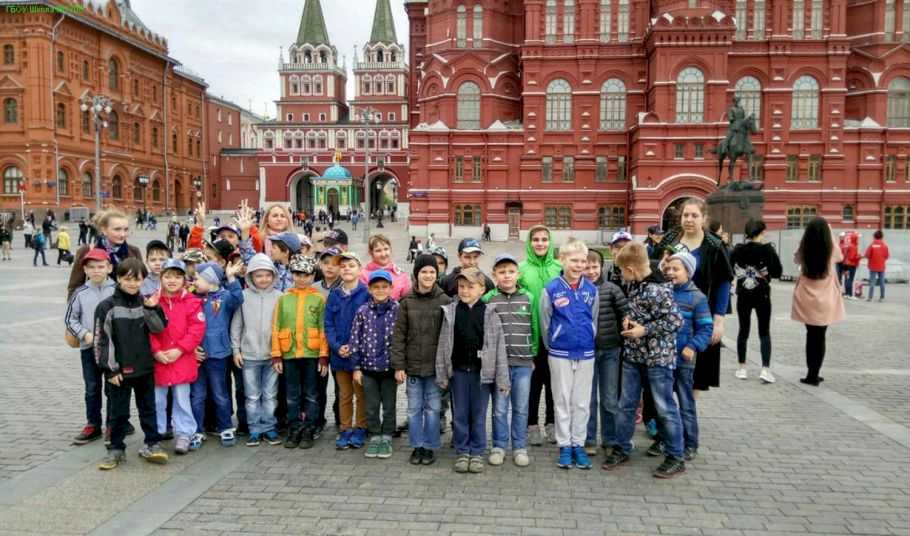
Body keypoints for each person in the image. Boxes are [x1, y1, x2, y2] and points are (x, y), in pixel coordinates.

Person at [603, 242, 685, 479]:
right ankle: (622, 447)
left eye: (621, 271)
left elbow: (675, 321)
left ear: (630, 268)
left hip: (657, 359)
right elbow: (640, 312)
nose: (620, 275)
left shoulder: (658, 290)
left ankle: (675, 455)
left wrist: (644, 330)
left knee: (665, 407)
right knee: (626, 404)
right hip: (634, 356)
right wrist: (629, 322)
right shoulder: (639, 286)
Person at [653, 198, 733, 394]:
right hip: (668, 311)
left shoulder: (713, 245)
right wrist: (660, 265)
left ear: (703, 218)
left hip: (700, 313)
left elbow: (723, 282)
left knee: (699, 369)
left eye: (694, 215)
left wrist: (719, 320)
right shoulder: (670, 239)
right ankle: (666, 412)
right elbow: (653, 269)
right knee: (663, 364)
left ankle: (688, 410)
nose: (689, 219)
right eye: (685, 215)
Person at [94, 258, 169, 470]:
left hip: (145, 367)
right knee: (118, 412)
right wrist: (110, 370)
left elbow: (159, 328)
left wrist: (153, 309)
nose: (132, 283)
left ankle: (152, 444)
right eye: (127, 279)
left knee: (148, 409)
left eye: (137, 279)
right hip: (119, 371)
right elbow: (102, 341)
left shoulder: (145, 302)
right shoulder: (106, 307)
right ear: (117, 278)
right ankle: (115, 449)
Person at [435, 267, 508, 474]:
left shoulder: (489, 312)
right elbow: (443, 344)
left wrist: (502, 380)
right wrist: (442, 373)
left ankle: (476, 451)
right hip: (458, 371)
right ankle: (462, 450)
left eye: (470, 287)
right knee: (460, 413)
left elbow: (498, 347)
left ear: (482, 289)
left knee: (478, 413)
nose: (465, 291)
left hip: (481, 374)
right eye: (461, 286)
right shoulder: (451, 311)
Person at [538, 238, 599, 470]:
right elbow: (545, 321)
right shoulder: (551, 289)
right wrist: (553, 342)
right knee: (562, 400)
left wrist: (587, 338)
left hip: (585, 352)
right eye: (574, 260)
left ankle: (578, 444)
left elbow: (592, 319)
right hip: (559, 352)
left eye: (583, 261)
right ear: (562, 260)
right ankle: (564, 445)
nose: (579, 265)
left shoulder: (591, 290)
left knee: (581, 402)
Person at [392, 254, 452, 466]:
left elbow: (449, 338)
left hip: (435, 368)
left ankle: (430, 445)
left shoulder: (445, 301)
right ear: (416, 274)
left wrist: (446, 367)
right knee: (414, 409)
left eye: (432, 272)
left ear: (437, 275)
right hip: (414, 367)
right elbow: (398, 336)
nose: (428, 275)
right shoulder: (407, 301)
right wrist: (399, 365)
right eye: (423, 272)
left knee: (434, 408)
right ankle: (417, 445)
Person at [482, 254, 537, 467]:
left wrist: (532, 354)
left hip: (523, 363)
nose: (507, 276)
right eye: (502, 272)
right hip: (499, 367)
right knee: (500, 408)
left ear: (518, 274)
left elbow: (534, 328)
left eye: (511, 271)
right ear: (494, 275)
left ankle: (520, 446)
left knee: (521, 407)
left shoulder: (528, 298)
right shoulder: (489, 300)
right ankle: (498, 445)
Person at [270, 254, 329, 449]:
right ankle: (294, 427)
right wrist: (277, 354)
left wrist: (323, 356)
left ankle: (309, 427)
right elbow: (276, 327)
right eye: (297, 274)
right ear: (292, 275)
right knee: (292, 394)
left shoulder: (319, 299)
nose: (301, 278)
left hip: (312, 354)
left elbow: (323, 328)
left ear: (313, 276)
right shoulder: (284, 298)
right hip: (289, 354)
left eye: (305, 274)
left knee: (311, 393)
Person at [150, 259, 205, 455]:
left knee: (182, 398)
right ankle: (156, 432)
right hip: (160, 359)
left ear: (184, 279)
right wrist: (156, 351)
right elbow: (147, 329)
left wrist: (180, 349)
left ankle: (184, 433)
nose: (172, 281)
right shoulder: (152, 301)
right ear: (161, 277)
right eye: (168, 276)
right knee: (157, 399)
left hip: (182, 358)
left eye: (177, 276)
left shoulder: (192, 302)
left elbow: (196, 329)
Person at [661, 252, 713, 462]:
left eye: (676, 269)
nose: (671, 273)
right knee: (665, 404)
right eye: (668, 269)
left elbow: (706, 328)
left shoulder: (697, 297)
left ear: (688, 272)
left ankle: (691, 443)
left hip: (684, 360)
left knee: (685, 403)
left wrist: (693, 346)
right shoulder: (663, 293)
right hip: (663, 357)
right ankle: (669, 439)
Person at [230, 253, 283, 447]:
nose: (263, 279)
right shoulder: (242, 297)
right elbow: (236, 325)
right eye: (258, 275)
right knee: (252, 396)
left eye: (267, 275)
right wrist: (236, 349)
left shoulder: (280, 297)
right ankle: (254, 429)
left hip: (272, 356)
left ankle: (269, 427)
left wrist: (281, 352)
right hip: (249, 355)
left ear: (273, 275)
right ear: (250, 276)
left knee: (270, 395)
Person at [190, 261, 244, 448]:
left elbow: (238, 298)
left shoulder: (225, 297)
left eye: (197, 278)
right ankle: (196, 430)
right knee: (197, 395)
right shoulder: (192, 299)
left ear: (210, 279)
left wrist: (231, 277)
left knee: (220, 393)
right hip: (197, 356)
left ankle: (225, 427)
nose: (194, 281)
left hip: (219, 355)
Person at [65, 248, 116, 445]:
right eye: (91, 267)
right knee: (92, 387)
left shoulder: (117, 290)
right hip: (89, 349)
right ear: (85, 269)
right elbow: (70, 319)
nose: (96, 271)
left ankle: (113, 424)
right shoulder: (80, 293)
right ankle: (93, 424)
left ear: (109, 268)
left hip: (112, 350)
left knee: (113, 388)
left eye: (101, 266)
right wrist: (83, 334)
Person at [350, 270, 402, 459]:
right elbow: (355, 339)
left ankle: (387, 435)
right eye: (376, 287)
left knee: (389, 405)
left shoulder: (397, 309)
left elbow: (401, 339)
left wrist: (400, 366)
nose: (380, 290)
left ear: (391, 288)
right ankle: (374, 435)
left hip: (389, 368)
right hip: (368, 368)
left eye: (384, 287)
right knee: (371, 405)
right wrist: (356, 367)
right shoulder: (363, 311)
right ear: (370, 289)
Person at [518, 225, 562, 446]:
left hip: (556, 337)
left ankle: (552, 423)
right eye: (536, 239)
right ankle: (531, 425)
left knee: (554, 383)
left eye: (545, 239)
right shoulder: (522, 269)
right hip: (530, 336)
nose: (540, 243)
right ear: (529, 242)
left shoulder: (559, 268)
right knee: (533, 384)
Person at [584, 248, 628, 457]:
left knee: (610, 398)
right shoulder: (579, 290)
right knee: (589, 398)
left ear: (601, 267)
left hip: (610, 350)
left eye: (595, 266)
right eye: (587, 266)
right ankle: (589, 438)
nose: (591, 271)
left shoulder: (612, 289)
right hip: (587, 353)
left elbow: (625, 314)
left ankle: (610, 438)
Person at [325, 251, 371, 450]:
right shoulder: (334, 295)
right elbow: (328, 324)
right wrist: (336, 347)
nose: (346, 269)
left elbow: (369, 326)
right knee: (344, 394)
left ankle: (361, 427)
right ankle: (345, 428)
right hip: (340, 356)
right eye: (343, 266)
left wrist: (354, 348)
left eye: (351, 265)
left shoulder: (367, 294)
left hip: (360, 356)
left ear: (359, 269)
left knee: (361, 394)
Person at [792, 217, 845, 386]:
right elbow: (840, 256)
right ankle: (815, 373)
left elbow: (796, 259)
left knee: (811, 336)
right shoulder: (831, 249)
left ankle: (811, 374)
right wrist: (830, 233)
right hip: (826, 299)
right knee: (820, 336)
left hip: (807, 298)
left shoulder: (805, 247)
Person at [730, 219, 783, 383]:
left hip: (744, 294)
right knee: (764, 332)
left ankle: (742, 368)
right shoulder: (768, 250)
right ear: (762, 232)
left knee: (743, 331)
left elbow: (730, 269)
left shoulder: (738, 250)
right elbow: (777, 273)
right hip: (763, 295)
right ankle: (765, 369)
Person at [68, 209, 143, 299]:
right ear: (104, 230)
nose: (123, 234)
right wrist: (75, 309)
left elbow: (141, 284)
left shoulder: (134, 252)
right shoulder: (87, 251)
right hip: (95, 308)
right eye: (117, 229)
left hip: (125, 308)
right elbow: (75, 286)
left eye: (126, 229)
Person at [359, 234, 412, 300]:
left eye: (386, 249)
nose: (383, 254)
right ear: (371, 252)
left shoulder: (400, 274)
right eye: (378, 250)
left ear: (390, 250)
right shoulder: (363, 275)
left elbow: (407, 300)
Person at [864, 230, 890, 302]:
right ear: (882, 237)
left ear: (874, 237)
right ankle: (882, 297)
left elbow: (867, 255)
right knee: (882, 282)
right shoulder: (884, 246)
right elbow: (887, 256)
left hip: (872, 266)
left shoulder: (871, 245)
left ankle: (870, 297)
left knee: (872, 282)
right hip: (881, 266)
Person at [837, 232, 861, 299]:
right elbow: (852, 257)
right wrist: (859, 256)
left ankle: (847, 294)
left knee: (847, 279)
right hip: (851, 264)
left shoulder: (848, 245)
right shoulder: (853, 246)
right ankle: (850, 295)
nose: (858, 240)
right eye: (857, 238)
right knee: (850, 279)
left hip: (846, 264)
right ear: (855, 239)